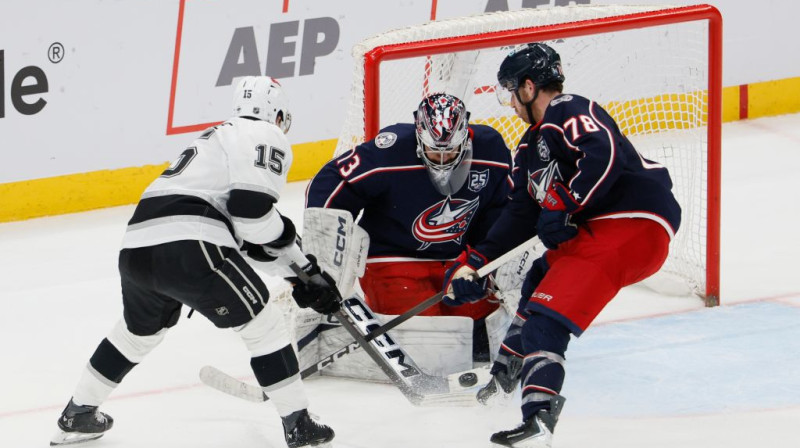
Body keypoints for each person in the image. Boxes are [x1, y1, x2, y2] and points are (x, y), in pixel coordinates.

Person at [51, 76, 340, 448]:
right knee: (264, 325)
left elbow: (248, 238)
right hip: (191, 242)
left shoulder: (214, 139)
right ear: (278, 114)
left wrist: (299, 276)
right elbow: (253, 216)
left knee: (138, 333)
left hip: (137, 245)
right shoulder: (266, 135)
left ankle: (78, 412)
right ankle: (298, 422)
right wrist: (303, 263)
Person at [441, 43, 682, 447]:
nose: (510, 104)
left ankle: (537, 423)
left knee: (546, 323)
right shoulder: (528, 149)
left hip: (631, 223)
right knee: (539, 280)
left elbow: (600, 150)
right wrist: (472, 264)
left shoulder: (565, 109)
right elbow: (519, 215)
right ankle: (502, 379)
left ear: (530, 87)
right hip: (597, 231)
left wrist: (569, 203)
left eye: (510, 92)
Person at [304, 93, 513, 368]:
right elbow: (328, 184)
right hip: (392, 259)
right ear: (418, 136)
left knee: (485, 335)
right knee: (429, 348)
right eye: (432, 150)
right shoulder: (390, 150)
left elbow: (504, 213)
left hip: (456, 261)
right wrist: (325, 252)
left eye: (450, 150)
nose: (441, 159)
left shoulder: (491, 151)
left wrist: (481, 263)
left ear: (466, 136)